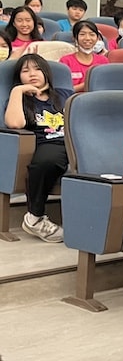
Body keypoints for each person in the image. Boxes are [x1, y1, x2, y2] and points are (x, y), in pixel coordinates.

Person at [4, 54, 72, 243]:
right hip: (46, 144)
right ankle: (35, 217)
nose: (32, 74)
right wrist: (18, 91)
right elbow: (15, 124)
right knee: (48, 160)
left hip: (74, 143)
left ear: (46, 73)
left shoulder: (64, 95)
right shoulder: (18, 99)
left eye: (37, 69)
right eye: (25, 71)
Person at [60, 20, 109, 91]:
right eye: (82, 34)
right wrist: (88, 83)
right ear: (75, 38)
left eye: (92, 34)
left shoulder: (103, 61)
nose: (87, 38)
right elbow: (63, 90)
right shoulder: (65, 61)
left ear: (97, 38)